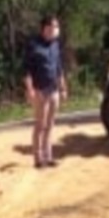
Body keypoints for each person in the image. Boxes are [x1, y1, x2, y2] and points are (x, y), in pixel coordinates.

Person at [23, 14, 69, 169]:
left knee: (50, 125)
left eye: (56, 27)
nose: (55, 30)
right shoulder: (33, 45)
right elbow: (27, 71)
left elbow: (59, 68)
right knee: (40, 125)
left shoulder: (55, 45)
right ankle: (38, 158)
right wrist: (30, 90)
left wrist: (63, 87)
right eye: (52, 27)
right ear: (44, 29)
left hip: (54, 90)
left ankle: (48, 157)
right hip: (40, 91)